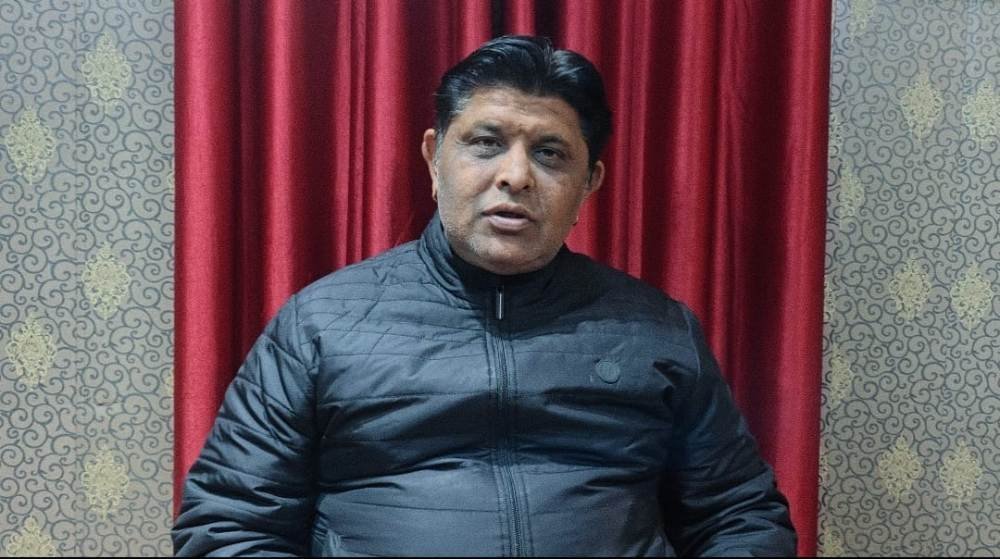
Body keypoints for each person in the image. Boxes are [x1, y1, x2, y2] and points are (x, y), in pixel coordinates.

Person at [173, 35, 796, 557]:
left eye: (549, 153)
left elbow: (739, 518)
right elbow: (228, 526)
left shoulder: (656, 329)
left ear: (589, 182)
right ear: (433, 157)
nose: (515, 175)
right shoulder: (320, 324)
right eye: (486, 142)